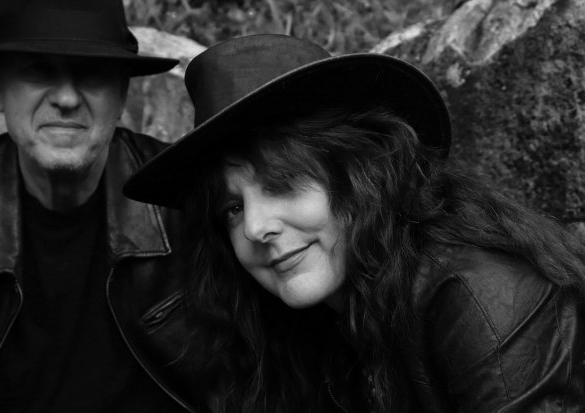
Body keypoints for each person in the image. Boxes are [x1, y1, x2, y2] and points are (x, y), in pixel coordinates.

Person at [125, 34, 585, 412]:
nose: (254, 228)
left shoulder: (480, 297)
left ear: (363, 175)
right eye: (232, 208)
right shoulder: (301, 332)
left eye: (281, 183)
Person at [0, 0, 198, 411]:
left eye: (91, 73)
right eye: (39, 70)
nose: (67, 98)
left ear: (122, 95)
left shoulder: (185, 198)